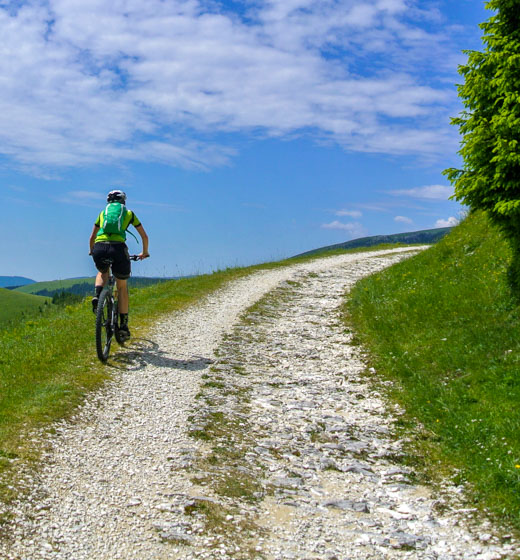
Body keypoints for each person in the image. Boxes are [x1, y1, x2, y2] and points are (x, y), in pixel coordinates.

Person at [89, 190, 149, 339]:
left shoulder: (103, 213)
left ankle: (97, 296)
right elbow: (144, 235)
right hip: (118, 248)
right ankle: (123, 326)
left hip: (100, 247)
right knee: (122, 287)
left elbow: (92, 236)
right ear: (123, 201)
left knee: (102, 272)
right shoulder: (129, 214)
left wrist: (92, 251)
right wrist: (144, 252)